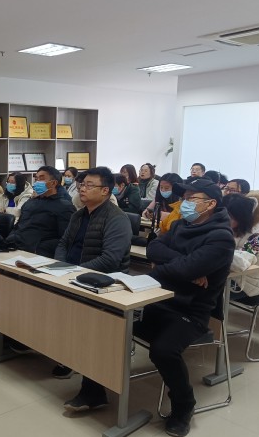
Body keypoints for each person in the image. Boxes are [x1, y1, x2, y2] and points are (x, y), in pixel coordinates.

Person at [74, 178, 233, 437]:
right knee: (107, 323)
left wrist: (173, 268)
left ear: (211, 204)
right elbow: (153, 248)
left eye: (191, 199)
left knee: (163, 350)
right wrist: (184, 266)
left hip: (190, 312)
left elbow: (184, 268)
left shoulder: (222, 237)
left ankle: (184, 406)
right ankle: (93, 392)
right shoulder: (180, 225)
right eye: (184, 198)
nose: (184, 203)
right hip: (156, 299)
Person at [53, 167, 132, 380]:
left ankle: (76, 358)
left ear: (105, 190)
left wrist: (75, 273)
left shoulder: (117, 218)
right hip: (71, 274)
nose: (82, 189)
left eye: (89, 185)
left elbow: (110, 260)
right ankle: (60, 350)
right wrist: (59, 267)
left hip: (102, 282)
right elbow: (63, 244)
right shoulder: (79, 215)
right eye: (82, 184)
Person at [5, 166, 75, 257]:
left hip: (38, 253)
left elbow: (65, 239)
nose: (37, 182)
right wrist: (11, 238)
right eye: (36, 179)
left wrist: (39, 248)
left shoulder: (64, 206)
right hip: (15, 247)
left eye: (41, 179)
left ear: (53, 183)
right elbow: (18, 226)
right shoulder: (30, 202)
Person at [223, 192, 259, 299]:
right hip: (233, 276)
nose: (224, 220)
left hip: (248, 283)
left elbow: (242, 261)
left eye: (229, 217)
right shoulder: (239, 226)